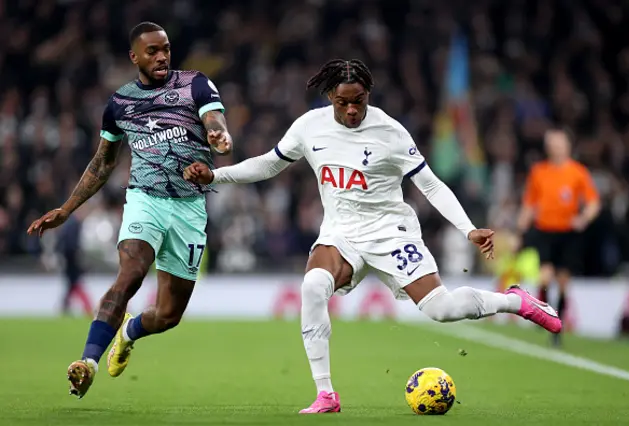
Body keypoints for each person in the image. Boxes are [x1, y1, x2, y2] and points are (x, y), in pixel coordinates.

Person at [183, 59, 561, 414]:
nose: (351, 111)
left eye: (358, 102)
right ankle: (326, 393)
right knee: (313, 286)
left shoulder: (390, 132)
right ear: (330, 97)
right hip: (341, 233)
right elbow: (269, 163)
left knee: (440, 310)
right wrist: (217, 176)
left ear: (368, 95)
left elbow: (430, 185)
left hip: (390, 232)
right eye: (343, 103)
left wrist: (468, 229)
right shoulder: (309, 126)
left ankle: (514, 302)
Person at [27, 22, 233, 399]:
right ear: (133, 57)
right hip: (145, 199)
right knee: (131, 274)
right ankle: (87, 363)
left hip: (189, 207)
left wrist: (219, 137)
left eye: (166, 49)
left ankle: (130, 331)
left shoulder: (195, 84)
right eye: (152, 51)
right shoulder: (120, 103)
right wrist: (67, 209)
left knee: (168, 316)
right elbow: (103, 163)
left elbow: (215, 122)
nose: (161, 57)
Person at [517, 128, 600, 346]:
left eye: (559, 144)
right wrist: (521, 226)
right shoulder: (539, 171)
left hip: (568, 234)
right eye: (552, 144)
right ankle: (542, 315)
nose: (556, 148)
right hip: (545, 231)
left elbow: (593, 202)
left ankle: (557, 328)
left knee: (563, 282)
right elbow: (529, 203)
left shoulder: (577, 172)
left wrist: (583, 218)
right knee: (545, 277)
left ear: (567, 146)